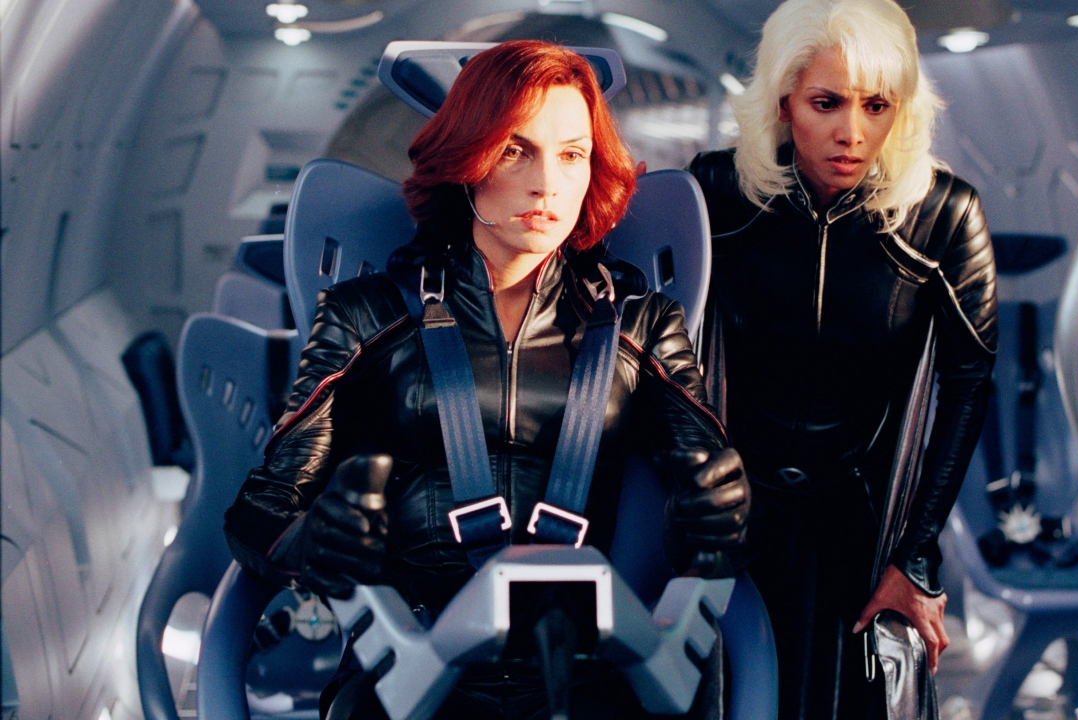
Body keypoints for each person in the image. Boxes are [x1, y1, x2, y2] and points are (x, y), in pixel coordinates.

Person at [225, 40, 750, 720]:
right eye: (514, 150)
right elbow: (258, 512)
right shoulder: (366, 316)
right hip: (411, 670)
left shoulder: (642, 325)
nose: (547, 184)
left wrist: (716, 518)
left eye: (572, 155)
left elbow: (714, 509)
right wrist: (313, 539)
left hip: (586, 673)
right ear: (466, 161)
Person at [687, 0, 997, 717]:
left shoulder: (943, 214)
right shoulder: (717, 192)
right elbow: (659, 357)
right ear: (783, 101)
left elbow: (967, 386)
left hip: (861, 517)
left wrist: (915, 555)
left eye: (876, 106)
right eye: (826, 103)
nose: (852, 133)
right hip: (730, 512)